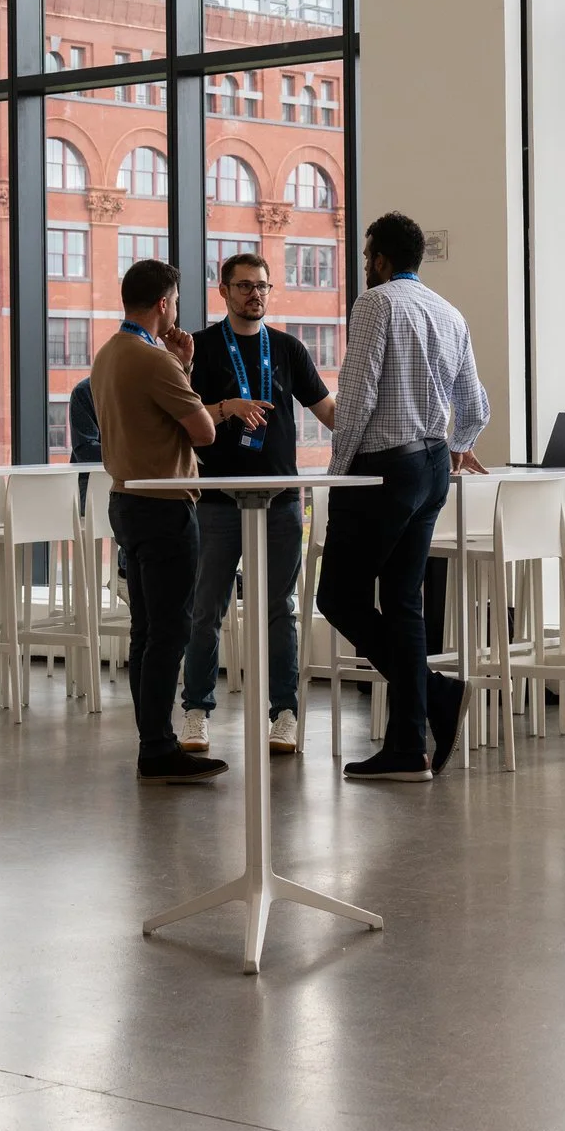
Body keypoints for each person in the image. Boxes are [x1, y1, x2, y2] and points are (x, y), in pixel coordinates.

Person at [315, 213, 489, 781]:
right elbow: (475, 403)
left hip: (382, 471)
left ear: (382, 260)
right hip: (433, 465)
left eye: (369, 258)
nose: (366, 268)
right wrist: (458, 444)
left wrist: (338, 475)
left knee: (338, 596)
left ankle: (432, 703)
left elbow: (359, 396)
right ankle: (411, 741)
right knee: (403, 602)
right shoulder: (448, 311)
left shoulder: (376, 304)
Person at [178, 252, 335, 758]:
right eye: (245, 286)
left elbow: (326, 409)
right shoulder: (199, 349)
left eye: (263, 286)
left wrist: (373, 435)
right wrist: (227, 409)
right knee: (206, 610)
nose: (256, 295)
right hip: (218, 500)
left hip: (282, 500)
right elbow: (180, 419)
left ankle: (284, 715)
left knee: (279, 611)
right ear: (222, 291)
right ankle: (196, 711)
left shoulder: (288, 349)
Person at [91, 259, 225, 784]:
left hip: (127, 499)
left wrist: (182, 367)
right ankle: (158, 748)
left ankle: (153, 742)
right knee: (170, 631)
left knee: (146, 630)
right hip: (166, 505)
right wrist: (183, 370)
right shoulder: (152, 360)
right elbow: (203, 432)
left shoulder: (108, 355)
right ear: (165, 304)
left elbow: (152, 421)